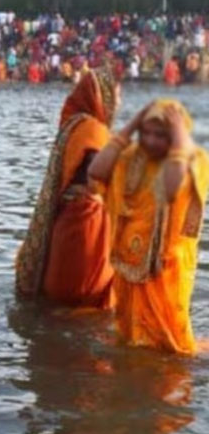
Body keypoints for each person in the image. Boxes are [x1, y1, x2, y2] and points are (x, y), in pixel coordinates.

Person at [89, 100, 209, 355]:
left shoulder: (194, 160)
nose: (151, 141)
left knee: (170, 346)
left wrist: (179, 137)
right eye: (147, 133)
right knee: (129, 339)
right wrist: (132, 124)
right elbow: (96, 170)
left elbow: (171, 188)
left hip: (164, 267)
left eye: (160, 135)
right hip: (127, 262)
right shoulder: (132, 158)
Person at [16, 70, 119, 308]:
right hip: (87, 224)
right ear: (103, 97)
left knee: (60, 299)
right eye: (117, 96)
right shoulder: (94, 129)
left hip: (66, 220)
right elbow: (95, 180)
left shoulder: (73, 124)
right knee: (85, 301)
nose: (119, 103)